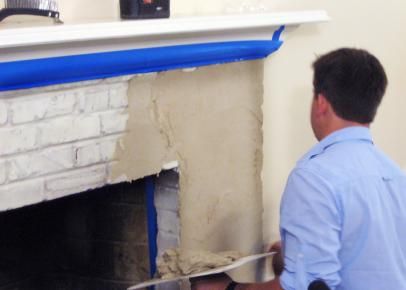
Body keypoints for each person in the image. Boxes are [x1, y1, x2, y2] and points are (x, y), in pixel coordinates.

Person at [192, 47, 406, 290]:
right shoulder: (395, 174)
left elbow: (302, 288)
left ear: (321, 103)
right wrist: (300, 255)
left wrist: (229, 289)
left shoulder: (315, 179)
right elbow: (371, 257)